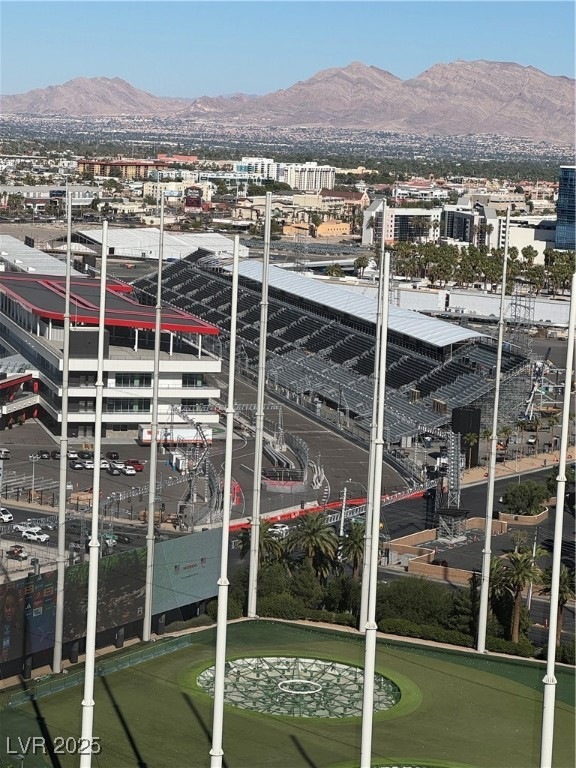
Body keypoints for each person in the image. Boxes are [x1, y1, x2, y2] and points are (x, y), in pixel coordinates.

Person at [0, 586, 25, 662]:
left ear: (16, 607)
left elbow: (25, 649)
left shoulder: (21, 625)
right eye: (7, 607)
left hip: (15, 663)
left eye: (13, 606)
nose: (9, 610)